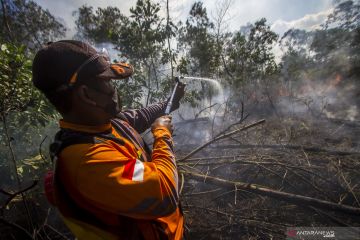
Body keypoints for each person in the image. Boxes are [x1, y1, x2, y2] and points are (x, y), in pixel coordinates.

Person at [32, 40, 185, 240]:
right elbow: (165, 190)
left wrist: (170, 102)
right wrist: (162, 135)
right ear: (86, 94)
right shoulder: (90, 161)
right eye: (108, 82)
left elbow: (139, 117)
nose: (114, 89)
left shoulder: (103, 124)